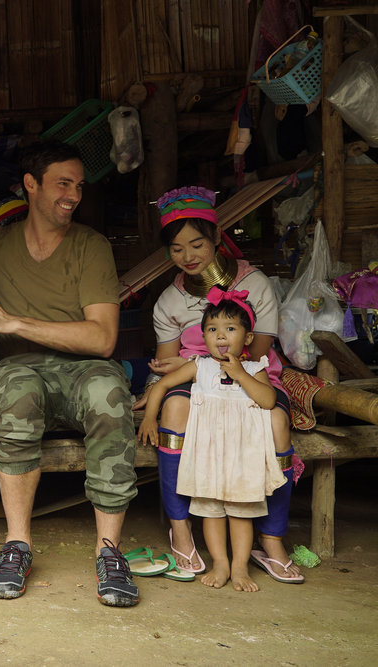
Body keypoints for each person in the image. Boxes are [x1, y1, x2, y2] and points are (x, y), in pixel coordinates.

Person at [0, 140, 139, 606]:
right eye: (63, 183)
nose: (74, 195)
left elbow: (103, 339)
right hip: (15, 369)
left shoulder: (91, 246)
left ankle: (109, 551)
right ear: (31, 185)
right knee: (19, 391)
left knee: (109, 392)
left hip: (85, 370)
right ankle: (17, 545)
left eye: (79, 186)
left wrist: (14, 323)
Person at [134, 185, 303, 584]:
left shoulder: (255, 284)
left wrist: (195, 360)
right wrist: (180, 372)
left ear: (216, 236)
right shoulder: (169, 301)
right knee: (176, 407)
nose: (188, 256)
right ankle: (180, 530)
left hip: (252, 373)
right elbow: (167, 362)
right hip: (200, 380)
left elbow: (258, 350)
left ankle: (272, 537)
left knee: (276, 422)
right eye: (177, 249)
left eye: (197, 244)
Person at [138, 289, 286, 591]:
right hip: (208, 455)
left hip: (242, 457)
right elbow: (162, 385)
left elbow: (268, 400)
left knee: (241, 514)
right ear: (203, 336)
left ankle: (240, 566)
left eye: (230, 328)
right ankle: (220, 563)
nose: (220, 336)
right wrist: (150, 417)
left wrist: (240, 374)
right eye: (212, 329)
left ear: (247, 337)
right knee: (212, 513)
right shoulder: (199, 366)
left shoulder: (255, 369)